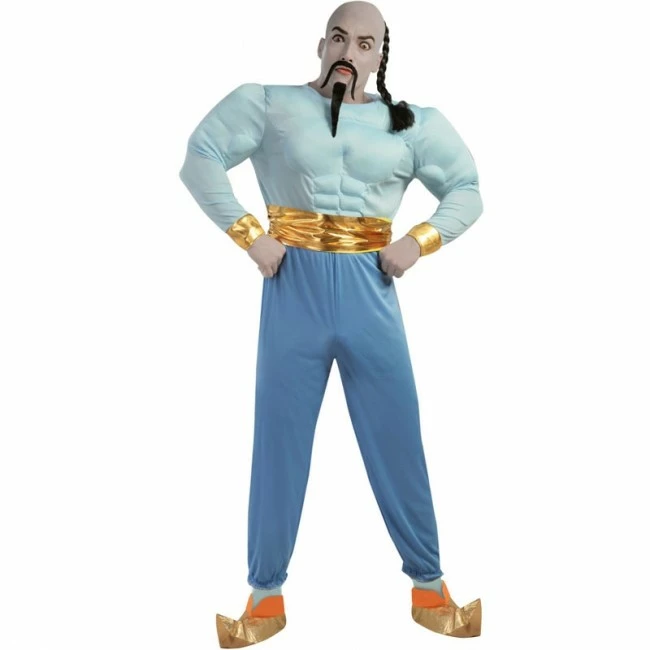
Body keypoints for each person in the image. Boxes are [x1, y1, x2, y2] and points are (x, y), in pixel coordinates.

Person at [179, 1, 483, 645]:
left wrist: (419, 241)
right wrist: (249, 235)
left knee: (397, 433)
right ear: (321, 44)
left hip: (372, 289)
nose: (350, 50)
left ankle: (429, 586)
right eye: (339, 37)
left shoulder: (412, 124)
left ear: (380, 56)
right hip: (294, 287)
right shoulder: (268, 103)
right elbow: (200, 154)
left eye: (365, 43)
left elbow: (467, 189)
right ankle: (265, 597)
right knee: (279, 437)